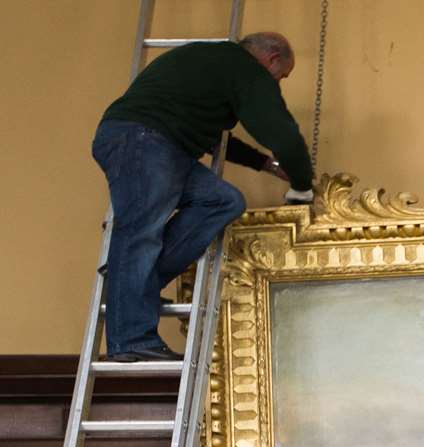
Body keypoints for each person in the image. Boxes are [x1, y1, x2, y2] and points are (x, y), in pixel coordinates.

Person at [93, 31, 315, 362]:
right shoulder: (245, 69)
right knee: (142, 231)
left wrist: (266, 165)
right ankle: (131, 339)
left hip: (154, 144)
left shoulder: (211, 66)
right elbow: (281, 132)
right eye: (281, 77)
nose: (277, 84)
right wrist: (302, 184)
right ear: (272, 59)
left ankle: (132, 281)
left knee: (224, 200)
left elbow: (214, 137)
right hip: (145, 142)